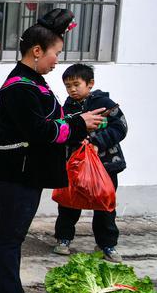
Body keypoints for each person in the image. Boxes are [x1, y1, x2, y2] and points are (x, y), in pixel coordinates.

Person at [0, 9, 106, 293]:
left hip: (26, 171)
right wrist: (79, 123)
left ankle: (9, 289)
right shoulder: (19, 87)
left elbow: (49, 124)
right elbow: (41, 131)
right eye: (55, 53)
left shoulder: (32, 81)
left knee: (14, 236)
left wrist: (77, 122)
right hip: (17, 172)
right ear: (37, 51)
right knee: (10, 238)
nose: (56, 61)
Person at [53, 63, 127, 263]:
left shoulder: (104, 104)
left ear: (90, 83)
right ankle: (63, 239)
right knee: (69, 203)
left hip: (105, 166)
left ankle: (107, 245)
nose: (72, 89)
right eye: (68, 86)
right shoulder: (66, 108)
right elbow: (63, 131)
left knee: (104, 205)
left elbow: (120, 128)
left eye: (76, 84)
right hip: (75, 165)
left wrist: (96, 142)